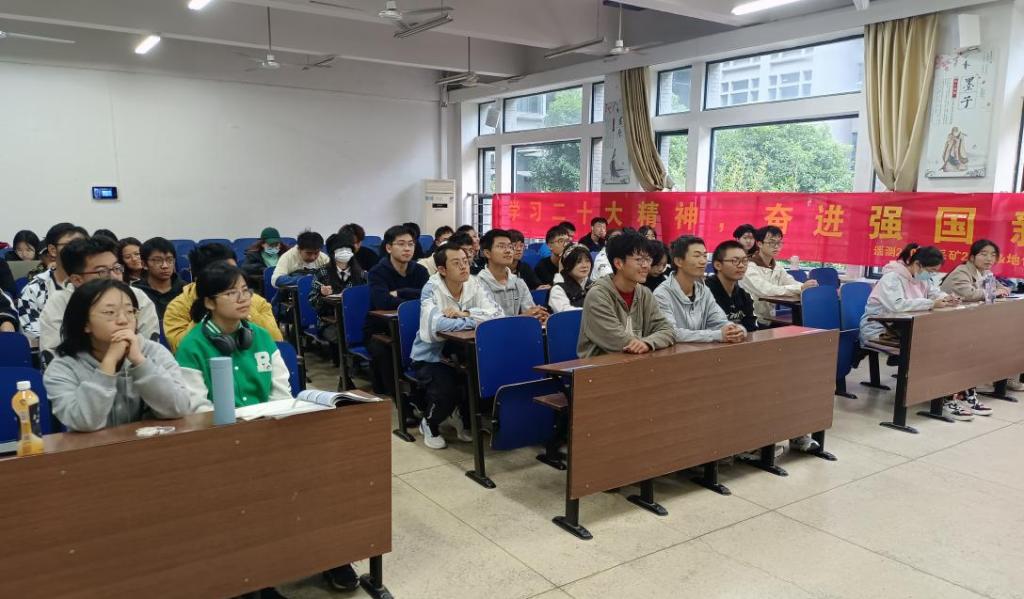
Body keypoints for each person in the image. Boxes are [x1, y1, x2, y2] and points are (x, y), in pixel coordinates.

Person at [43, 279, 203, 432]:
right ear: (84, 323)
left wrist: (140, 362)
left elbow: (178, 408)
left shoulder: (153, 352)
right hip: (92, 449)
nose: (123, 320)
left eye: (130, 311)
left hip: (151, 446)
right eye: (110, 312)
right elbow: (85, 421)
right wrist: (109, 362)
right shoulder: (63, 367)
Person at [859, 244, 976, 419]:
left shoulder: (922, 278)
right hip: (879, 331)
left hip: (906, 330)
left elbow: (935, 293)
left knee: (950, 346)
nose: (932, 275)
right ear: (918, 264)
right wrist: (931, 304)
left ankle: (959, 394)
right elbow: (897, 305)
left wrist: (947, 298)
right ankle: (943, 399)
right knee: (932, 351)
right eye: (931, 270)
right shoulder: (892, 278)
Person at [410, 242, 503, 449]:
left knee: (483, 380)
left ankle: (463, 418)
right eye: (456, 263)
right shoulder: (432, 288)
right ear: (442, 269)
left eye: (465, 261)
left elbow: (497, 314)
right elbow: (436, 325)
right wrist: (475, 320)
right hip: (431, 356)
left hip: (465, 352)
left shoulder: (474, 283)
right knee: (447, 389)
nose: (464, 266)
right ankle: (429, 423)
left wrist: (464, 314)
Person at [39, 237, 161, 360]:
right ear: (77, 280)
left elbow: (150, 350)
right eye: (102, 272)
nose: (114, 277)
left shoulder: (138, 297)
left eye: (116, 268)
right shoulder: (59, 303)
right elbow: (54, 355)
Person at [163, 243, 282, 352]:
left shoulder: (256, 301)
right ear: (200, 278)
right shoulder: (177, 308)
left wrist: (246, 310)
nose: (233, 277)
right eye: (224, 273)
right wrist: (206, 312)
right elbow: (180, 348)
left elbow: (277, 342)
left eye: (235, 271)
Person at [940, 240, 1023, 393]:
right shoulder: (962, 271)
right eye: (983, 254)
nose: (989, 259)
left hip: (973, 319)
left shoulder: (987, 273)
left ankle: (1007, 378)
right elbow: (969, 294)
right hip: (950, 322)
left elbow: (1001, 288)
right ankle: (983, 380)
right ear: (972, 257)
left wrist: (1002, 290)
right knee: (999, 337)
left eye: (993, 255)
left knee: (1014, 334)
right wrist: (994, 292)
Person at [577, 230, 675, 358]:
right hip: (601, 366)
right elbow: (620, 342)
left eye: (648, 259)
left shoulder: (644, 293)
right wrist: (645, 344)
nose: (646, 265)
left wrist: (648, 343)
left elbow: (668, 330)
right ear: (619, 263)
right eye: (639, 260)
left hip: (635, 362)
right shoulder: (598, 295)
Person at [366, 225, 430, 396]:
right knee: (386, 350)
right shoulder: (377, 272)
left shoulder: (420, 271)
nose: (407, 248)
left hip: (416, 326)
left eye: (411, 244)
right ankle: (398, 399)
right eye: (401, 244)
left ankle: (421, 393)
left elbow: (428, 297)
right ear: (389, 247)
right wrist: (413, 301)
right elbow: (382, 301)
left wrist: (401, 292)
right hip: (381, 329)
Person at [654, 235, 745, 344]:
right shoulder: (661, 294)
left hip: (702, 351)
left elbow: (719, 321)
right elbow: (670, 333)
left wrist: (734, 330)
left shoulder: (703, 290)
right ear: (679, 261)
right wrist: (716, 335)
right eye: (697, 256)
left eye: (705, 256)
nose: (703, 261)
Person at [17, 223, 89, 340]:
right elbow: (33, 334)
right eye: (72, 245)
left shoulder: (96, 284)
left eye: (84, 245)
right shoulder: (34, 289)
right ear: (52, 250)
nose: (80, 251)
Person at [740, 226, 818, 327]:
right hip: (751, 320)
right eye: (771, 242)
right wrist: (801, 288)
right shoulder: (748, 267)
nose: (776, 246)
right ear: (759, 244)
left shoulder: (777, 266)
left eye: (779, 243)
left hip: (769, 318)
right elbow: (767, 290)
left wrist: (807, 287)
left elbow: (790, 282)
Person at [476, 229, 548, 321]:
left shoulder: (518, 282)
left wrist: (539, 315)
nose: (508, 251)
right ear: (487, 253)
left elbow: (531, 312)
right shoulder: (478, 284)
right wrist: (524, 316)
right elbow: (489, 321)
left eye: (510, 247)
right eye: (501, 246)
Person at [310, 231, 366, 343]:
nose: (345, 252)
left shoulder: (361, 274)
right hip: (329, 322)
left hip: (356, 320)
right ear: (332, 253)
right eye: (340, 249)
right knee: (342, 336)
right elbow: (313, 303)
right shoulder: (321, 272)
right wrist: (321, 294)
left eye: (348, 249)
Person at [706, 240, 759, 332]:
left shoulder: (744, 296)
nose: (741, 265)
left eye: (744, 261)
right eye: (735, 261)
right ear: (718, 265)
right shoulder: (704, 294)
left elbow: (751, 329)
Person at [133, 237, 186, 320]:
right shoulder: (136, 292)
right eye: (158, 261)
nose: (165, 266)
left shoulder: (186, 290)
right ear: (144, 264)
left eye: (169, 260)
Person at [549, 245, 592, 313]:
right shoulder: (558, 289)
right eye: (578, 262)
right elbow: (567, 313)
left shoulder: (591, 284)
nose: (584, 265)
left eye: (587, 261)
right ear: (568, 265)